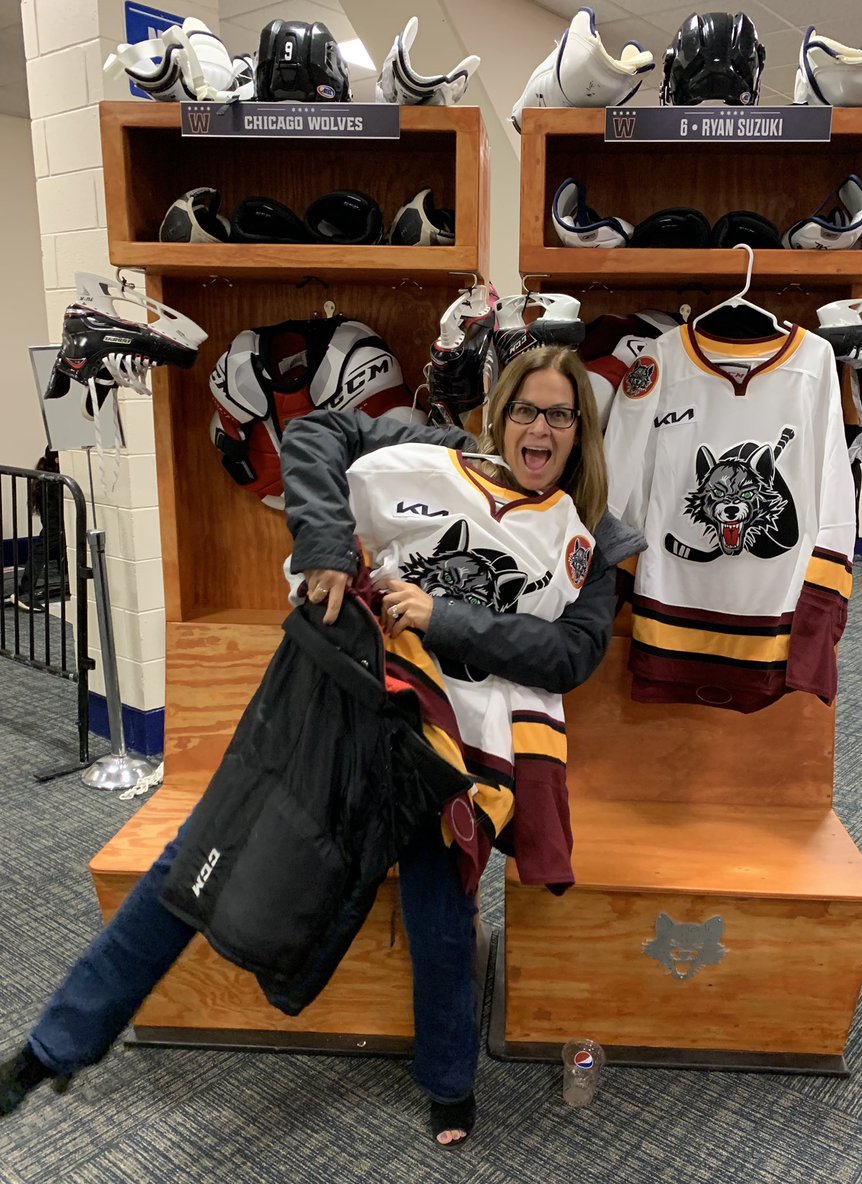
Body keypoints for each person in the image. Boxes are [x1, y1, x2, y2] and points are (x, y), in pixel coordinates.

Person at [0, 346, 643, 1147]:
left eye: (558, 414)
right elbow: (311, 441)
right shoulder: (424, 448)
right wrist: (329, 550)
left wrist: (444, 618)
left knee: (442, 916)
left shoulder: (593, 542)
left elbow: (572, 656)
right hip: (335, 707)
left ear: (579, 431)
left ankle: (449, 1085)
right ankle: (52, 1047)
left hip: (441, 755)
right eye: (524, 409)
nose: (538, 427)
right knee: (196, 860)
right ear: (498, 414)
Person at [6, 449, 68, 612]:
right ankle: (24, 592)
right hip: (54, 512)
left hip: (56, 510)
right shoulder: (51, 482)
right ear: (57, 460)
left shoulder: (51, 477)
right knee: (49, 541)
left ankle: (26, 590)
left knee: (57, 540)